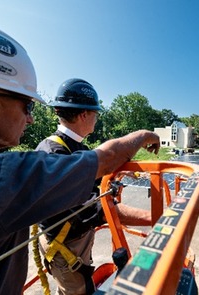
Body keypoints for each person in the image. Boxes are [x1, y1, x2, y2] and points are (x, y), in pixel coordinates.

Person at [0, 17, 159, 295]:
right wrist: (158, 212)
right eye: (27, 106)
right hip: (66, 249)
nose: (31, 120)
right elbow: (101, 173)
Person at [35, 78, 151, 295]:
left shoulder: (73, 146)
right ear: (83, 115)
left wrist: (114, 175)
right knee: (78, 291)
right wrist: (157, 217)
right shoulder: (53, 153)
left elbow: (93, 181)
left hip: (74, 243)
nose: (96, 120)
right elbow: (94, 208)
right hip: (65, 248)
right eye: (95, 114)